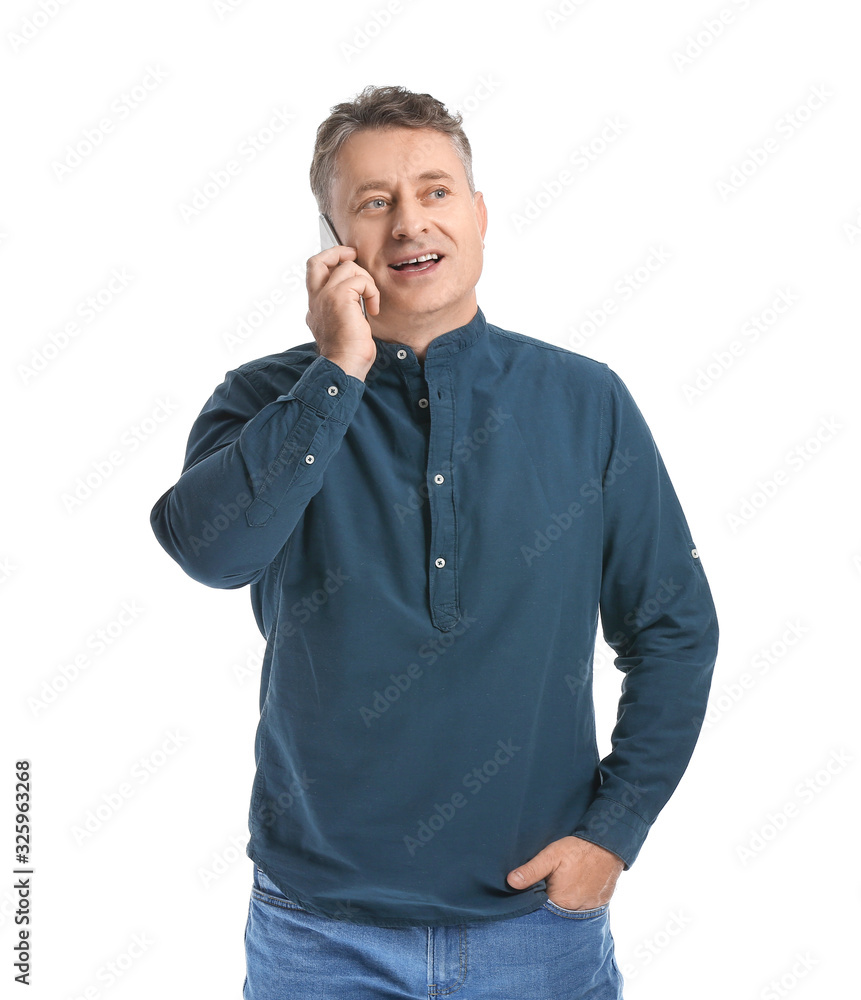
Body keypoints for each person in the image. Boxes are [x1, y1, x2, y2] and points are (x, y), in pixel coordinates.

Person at [150, 84, 719, 999]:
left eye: (435, 190)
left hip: (535, 930)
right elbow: (213, 554)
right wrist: (336, 371)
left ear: (479, 213)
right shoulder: (265, 401)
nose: (410, 221)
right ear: (333, 244)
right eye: (374, 202)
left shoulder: (585, 401)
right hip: (315, 934)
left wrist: (614, 832)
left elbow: (674, 629)